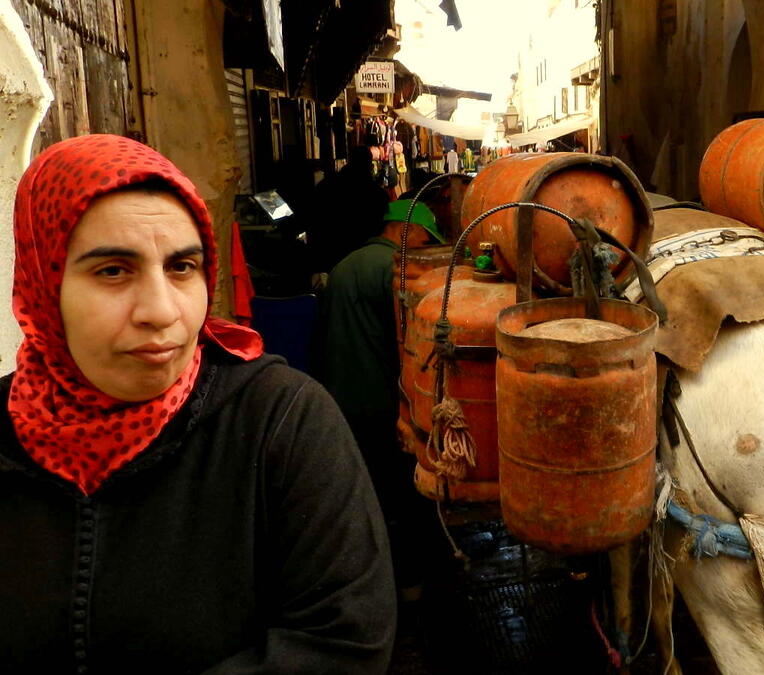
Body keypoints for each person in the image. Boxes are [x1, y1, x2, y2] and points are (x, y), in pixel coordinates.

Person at [0, 135, 395, 673]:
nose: (162, 312)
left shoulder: (279, 421)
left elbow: (345, 641)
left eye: (182, 267)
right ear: (43, 283)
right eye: (112, 270)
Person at [310, 199, 444, 621]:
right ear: (407, 232)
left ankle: (364, 584)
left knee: (364, 495)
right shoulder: (393, 271)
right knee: (405, 496)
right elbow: (409, 343)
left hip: (340, 399)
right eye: (426, 239)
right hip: (382, 403)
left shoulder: (347, 263)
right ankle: (410, 588)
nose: (425, 248)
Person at [308, 145, 389, 273]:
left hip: (329, 257)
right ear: (370, 165)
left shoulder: (326, 186)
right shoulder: (377, 194)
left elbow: (313, 219)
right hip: (363, 261)